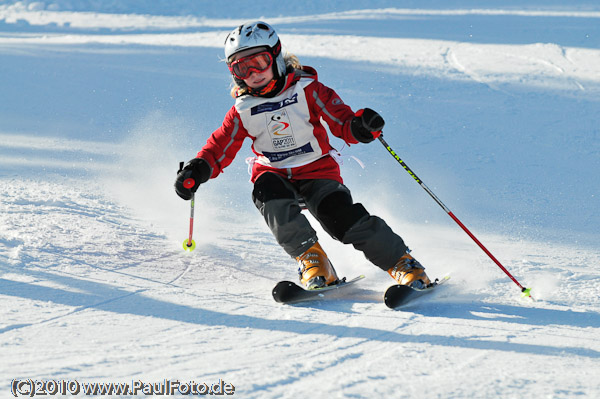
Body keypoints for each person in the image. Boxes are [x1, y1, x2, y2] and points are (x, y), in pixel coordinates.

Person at [175, 21, 431, 290]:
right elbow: (219, 147)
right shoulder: (243, 109)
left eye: (259, 62)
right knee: (268, 195)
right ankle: (313, 261)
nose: (253, 73)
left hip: (318, 172)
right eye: (241, 67)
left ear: (275, 56)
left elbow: (341, 122)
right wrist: (197, 169)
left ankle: (403, 264)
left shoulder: (307, 89)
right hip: (272, 173)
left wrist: (360, 126)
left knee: (340, 219)